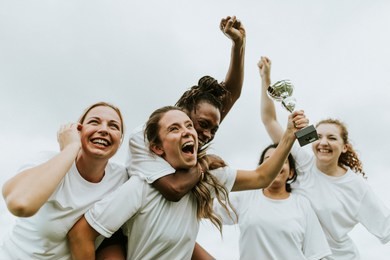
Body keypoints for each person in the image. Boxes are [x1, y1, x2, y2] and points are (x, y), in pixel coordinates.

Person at [67, 105, 307, 260]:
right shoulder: (141, 187)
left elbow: (261, 177)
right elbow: (80, 235)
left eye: (189, 126)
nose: (187, 132)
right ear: (157, 148)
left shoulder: (209, 178)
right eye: (174, 128)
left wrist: (288, 136)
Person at [258, 56, 390, 259]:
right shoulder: (302, 162)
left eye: (332, 138)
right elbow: (269, 120)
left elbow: (386, 227)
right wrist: (265, 78)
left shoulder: (356, 187)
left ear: (344, 147)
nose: (323, 143)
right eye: (318, 137)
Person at [126, 15, 246, 202]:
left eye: (214, 129)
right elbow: (175, 189)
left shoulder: (196, 135)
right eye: (202, 124)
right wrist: (206, 161)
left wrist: (238, 43)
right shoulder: (142, 136)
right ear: (183, 112)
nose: (207, 134)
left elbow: (232, 93)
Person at [0, 102, 129, 259]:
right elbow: (20, 203)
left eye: (113, 126)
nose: (103, 130)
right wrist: (71, 147)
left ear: (120, 140)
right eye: (94, 122)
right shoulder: (47, 160)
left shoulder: (121, 179)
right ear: (78, 130)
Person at [213, 143, 331, 260]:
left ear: (291, 173)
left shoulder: (302, 204)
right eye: (268, 160)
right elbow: (205, 208)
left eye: (282, 161)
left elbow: (317, 253)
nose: (275, 164)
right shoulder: (246, 197)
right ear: (261, 169)